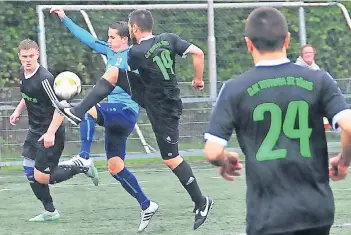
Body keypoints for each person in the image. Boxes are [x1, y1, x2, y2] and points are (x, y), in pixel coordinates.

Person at [53, 9, 213, 230]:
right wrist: (197, 79)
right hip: (158, 96)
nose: (110, 40)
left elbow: (132, 59)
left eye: (125, 29)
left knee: (171, 159)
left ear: (134, 29)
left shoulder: (135, 52)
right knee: (114, 75)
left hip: (160, 107)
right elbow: (199, 53)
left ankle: (202, 202)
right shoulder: (169, 38)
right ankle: (79, 113)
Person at [204, 7, 351, 235]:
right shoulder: (319, 80)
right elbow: (349, 127)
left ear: (248, 43)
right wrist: (344, 160)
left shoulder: (234, 89)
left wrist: (224, 159)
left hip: (267, 216)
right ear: (287, 40)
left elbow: (212, 152)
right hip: (317, 210)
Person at [50, 8, 157, 232]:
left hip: (125, 111)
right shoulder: (110, 52)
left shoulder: (134, 55)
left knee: (88, 109)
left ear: (125, 39)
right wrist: (64, 18)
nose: (108, 41)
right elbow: (87, 39)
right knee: (115, 167)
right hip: (115, 115)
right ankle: (147, 205)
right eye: (107, 37)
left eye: (112, 37)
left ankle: (85, 158)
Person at [10, 39, 94, 222]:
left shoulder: (45, 78)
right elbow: (27, 95)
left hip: (50, 132)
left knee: (41, 176)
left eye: (31, 56)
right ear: (19, 57)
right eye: (24, 57)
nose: (28, 60)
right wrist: (17, 111)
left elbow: (61, 107)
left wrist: (50, 133)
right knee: (28, 170)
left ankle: (81, 165)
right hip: (35, 130)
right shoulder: (23, 74)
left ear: (37, 54)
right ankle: (50, 211)